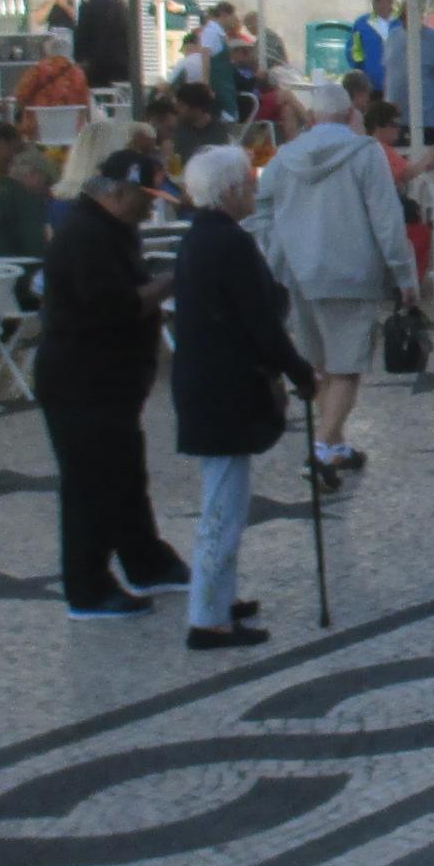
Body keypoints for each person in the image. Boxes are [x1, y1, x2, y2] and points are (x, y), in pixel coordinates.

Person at [168, 144, 317, 654]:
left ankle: (221, 598)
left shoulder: (201, 239)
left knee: (227, 497)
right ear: (229, 191)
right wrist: (300, 372)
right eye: (248, 184)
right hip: (222, 389)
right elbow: (260, 323)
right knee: (223, 506)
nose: (253, 191)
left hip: (207, 384)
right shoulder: (228, 243)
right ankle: (207, 618)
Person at [33, 151, 190, 620]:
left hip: (113, 380)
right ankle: (88, 587)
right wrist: (170, 283)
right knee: (89, 483)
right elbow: (116, 306)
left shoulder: (112, 231)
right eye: (145, 198)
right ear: (116, 192)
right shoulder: (85, 238)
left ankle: (145, 560)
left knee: (123, 474)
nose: (150, 208)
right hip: (81, 379)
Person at [255, 80, 418, 471]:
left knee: (324, 366)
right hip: (352, 273)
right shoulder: (366, 154)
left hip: (300, 274)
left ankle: (336, 445)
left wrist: (279, 254)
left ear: (311, 118)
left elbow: (258, 210)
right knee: (347, 366)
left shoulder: (284, 158)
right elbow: (387, 220)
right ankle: (324, 449)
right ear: (350, 115)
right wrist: (404, 274)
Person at [14, 35, 90, 131]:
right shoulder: (79, 74)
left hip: (39, 130)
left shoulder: (37, 70)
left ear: (50, 51)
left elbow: (20, 96)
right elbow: (85, 104)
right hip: (70, 130)